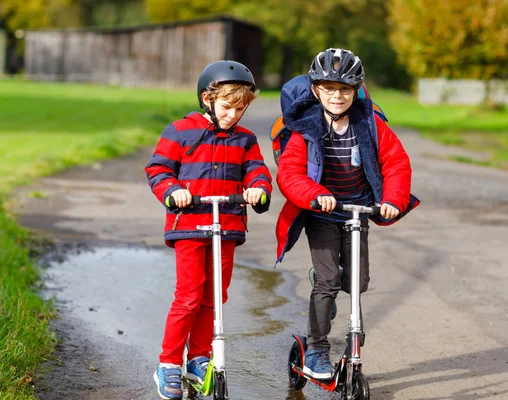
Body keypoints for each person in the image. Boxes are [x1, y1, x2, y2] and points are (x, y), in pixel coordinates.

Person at [275, 48, 414, 379]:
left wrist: (393, 198)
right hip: (322, 212)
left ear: (357, 90)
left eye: (345, 89)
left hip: (357, 211)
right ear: (315, 91)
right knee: (327, 281)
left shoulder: (370, 125)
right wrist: (316, 194)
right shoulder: (306, 128)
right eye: (328, 89)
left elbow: (396, 163)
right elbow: (289, 173)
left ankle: (331, 286)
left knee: (359, 282)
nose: (337, 96)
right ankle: (317, 350)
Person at [145, 60, 272, 400]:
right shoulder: (180, 130)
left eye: (240, 109)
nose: (233, 115)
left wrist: (258, 189)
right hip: (189, 224)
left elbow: (257, 171)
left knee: (214, 297)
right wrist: (173, 191)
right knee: (188, 296)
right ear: (207, 98)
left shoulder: (244, 140)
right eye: (228, 107)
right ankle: (169, 362)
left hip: (226, 226)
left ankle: (198, 358)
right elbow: (158, 169)